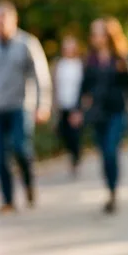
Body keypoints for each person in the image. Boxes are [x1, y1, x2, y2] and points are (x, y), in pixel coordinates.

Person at [72, 17, 128, 214]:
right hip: (98, 113)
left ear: (108, 35)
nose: (94, 37)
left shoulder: (121, 57)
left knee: (110, 151)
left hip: (117, 111)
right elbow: (83, 86)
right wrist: (77, 109)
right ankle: (110, 189)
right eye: (93, 33)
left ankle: (113, 191)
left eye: (97, 33)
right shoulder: (91, 59)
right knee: (104, 154)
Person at [0, 0, 51, 212]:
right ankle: (9, 199)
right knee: (0, 156)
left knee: (21, 148)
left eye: (3, 19)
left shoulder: (27, 43)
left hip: (21, 106)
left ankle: (29, 185)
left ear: (14, 20)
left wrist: (43, 104)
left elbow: (41, 77)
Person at [53, 35, 84, 176]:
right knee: (64, 134)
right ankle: (72, 155)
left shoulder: (80, 65)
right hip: (62, 105)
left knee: (75, 135)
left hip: (75, 106)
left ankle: (76, 158)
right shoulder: (59, 64)